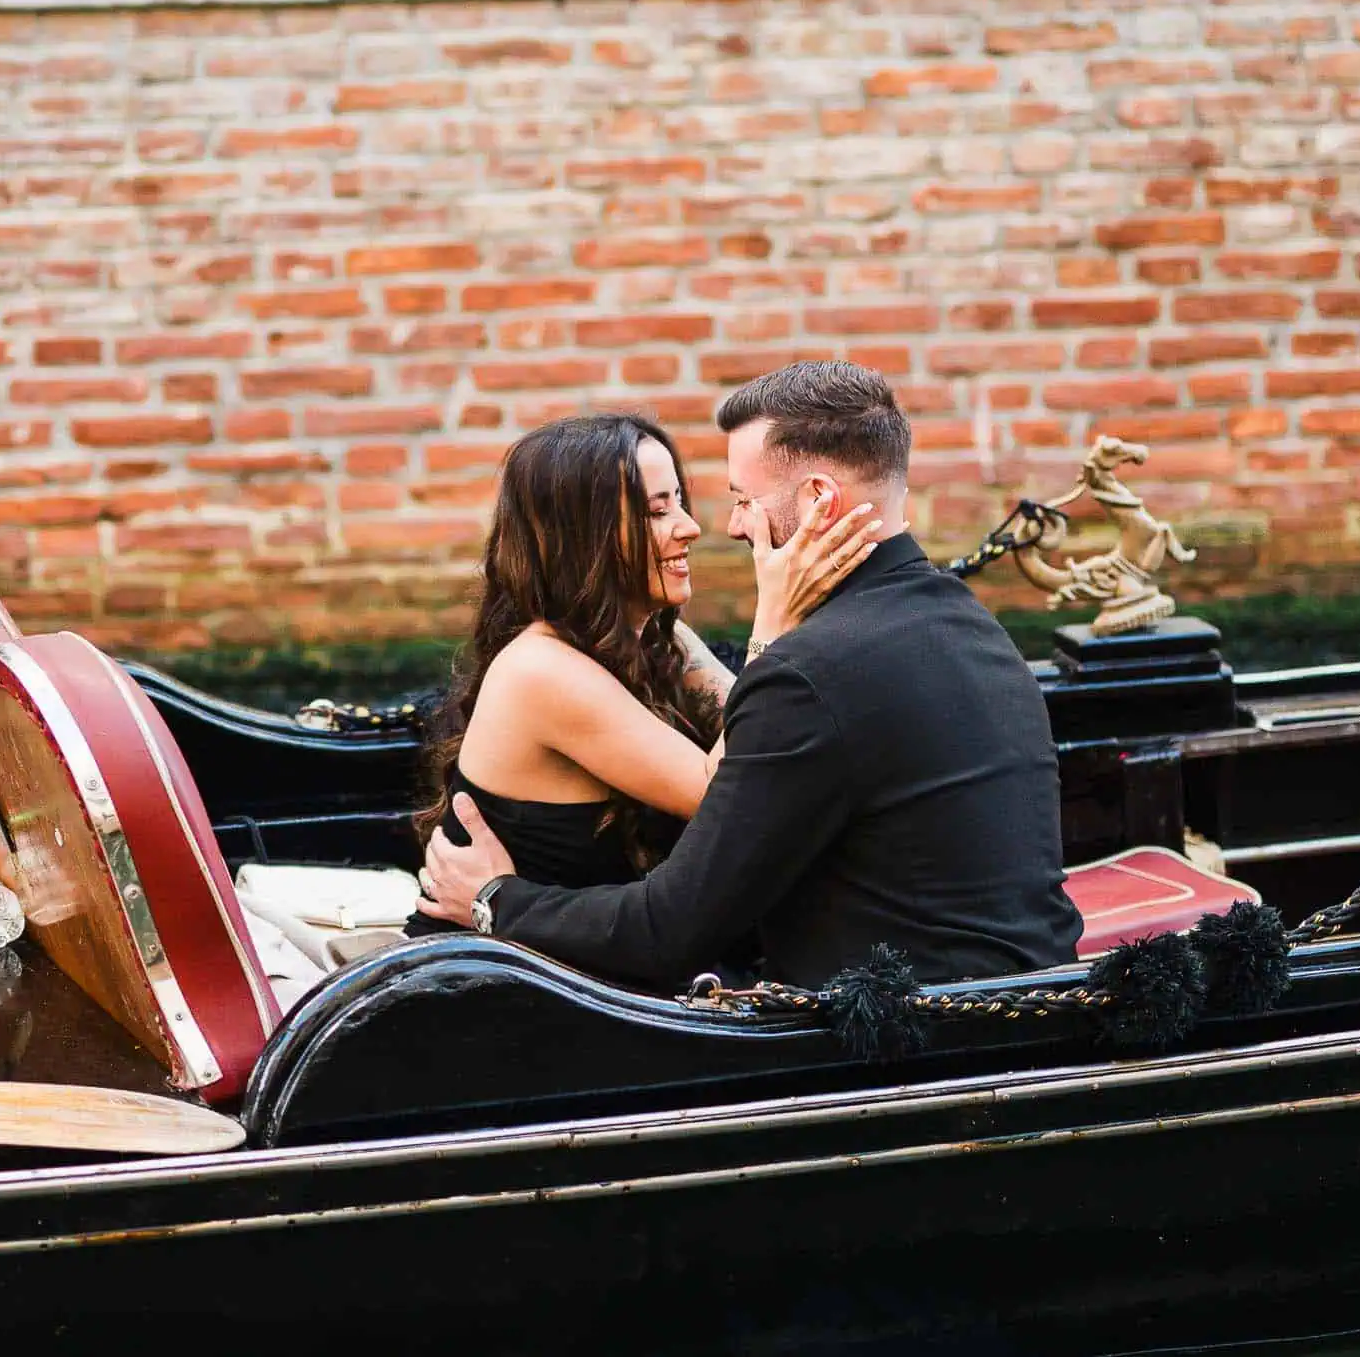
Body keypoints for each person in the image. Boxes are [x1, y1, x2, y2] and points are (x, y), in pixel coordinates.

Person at [416, 361, 1082, 989]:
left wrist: (497, 897)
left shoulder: (775, 665)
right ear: (584, 534)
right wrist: (773, 632)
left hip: (898, 1014)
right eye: (658, 509)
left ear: (819, 499)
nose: (708, 526)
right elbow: (748, 774)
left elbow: (749, 776)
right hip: (524, 974)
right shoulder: (970, 625)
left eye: (737, 499)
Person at [403, 412, 882, 941]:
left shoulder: (660, 641)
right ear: (583, 536)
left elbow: (764, 734)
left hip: (587, 961)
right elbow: (728, 792)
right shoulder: (538, 670)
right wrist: (775, 618)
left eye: (678, 500)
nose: (690, 527)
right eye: (657, 511)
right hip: (487, 980)